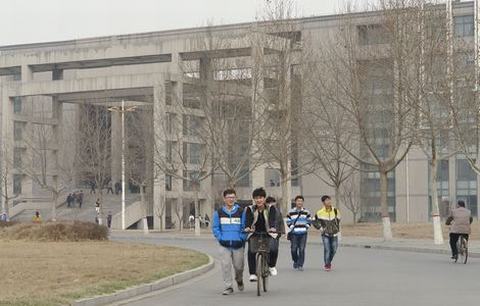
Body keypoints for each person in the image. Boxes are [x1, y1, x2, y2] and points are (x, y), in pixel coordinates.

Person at [212, 188, 246, 296]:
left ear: (235, 198)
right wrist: (220, 238)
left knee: (239, 267)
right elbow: (215, 227)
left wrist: (242, 237)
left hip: (238, 244)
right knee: (226, 266)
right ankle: (228, 286)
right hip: (224, 244)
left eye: (233, 197)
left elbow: (245, 227)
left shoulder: (241, 211)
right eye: (228, 197)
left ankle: (239, 279)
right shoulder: (219, 212)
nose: (231, 199)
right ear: (224, 199)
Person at [244, 188, 277, 281]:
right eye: (256, 198)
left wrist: (272, 227)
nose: (259, 200)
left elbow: (272, 219)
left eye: (261, 198)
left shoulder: (271, 208)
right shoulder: (250, 209)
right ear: (254, 199)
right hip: (255, 233)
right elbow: (248, 220)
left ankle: (271, 266)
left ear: (264, 198)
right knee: (251, 251)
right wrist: (247, 227)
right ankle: (253, 273)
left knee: (274, 249)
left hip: (268, 232)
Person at [314, 195, 341, 271]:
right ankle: (327, 264)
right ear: (323, 202)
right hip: (325, 234)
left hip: (334, 234)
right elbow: (314, 221)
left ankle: (329, 261)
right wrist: (320, 228)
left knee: (334, 249)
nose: (329, 201)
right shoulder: (319, 212)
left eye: (329, 200)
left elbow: (338, 220)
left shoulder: (335, 210)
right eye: (326, 200)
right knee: (327, 249)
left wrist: (336, 228)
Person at [287, 195, 311, 271]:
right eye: (298, 201)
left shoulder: (306, 212)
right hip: (294, 233)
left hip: (303, 233)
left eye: (301, 201)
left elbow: (309, 221)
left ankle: (300, 265)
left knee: (302, 249)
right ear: (295, 202)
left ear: (303, 202)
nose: (299, 202)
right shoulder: (291, 212)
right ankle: (296, 260)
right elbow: (288, 221)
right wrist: (290, 226)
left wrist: (306, 226)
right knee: (293, 249)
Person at [265, 196, 285, 276]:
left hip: (275, 233)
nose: (271, 204)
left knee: (274, 249)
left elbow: (281, 222)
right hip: (264, 233)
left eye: (272, 202)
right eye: (269, 203)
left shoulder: (277, 211)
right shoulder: (263, 210)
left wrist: (282, 232)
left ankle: (272, 265)